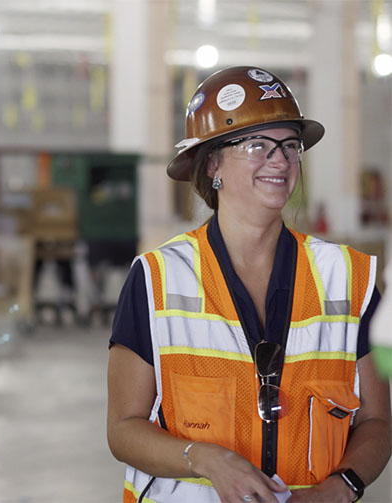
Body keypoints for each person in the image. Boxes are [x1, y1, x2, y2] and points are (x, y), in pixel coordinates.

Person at [107, 66, 391, 503]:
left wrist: (337, 490)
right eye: (258, 144)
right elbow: (123, 429)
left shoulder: (348, 278)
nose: (281, 160)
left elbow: (376, 421)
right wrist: (204, 458)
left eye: (290, 146)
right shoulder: (156, 279)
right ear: (213, 164)